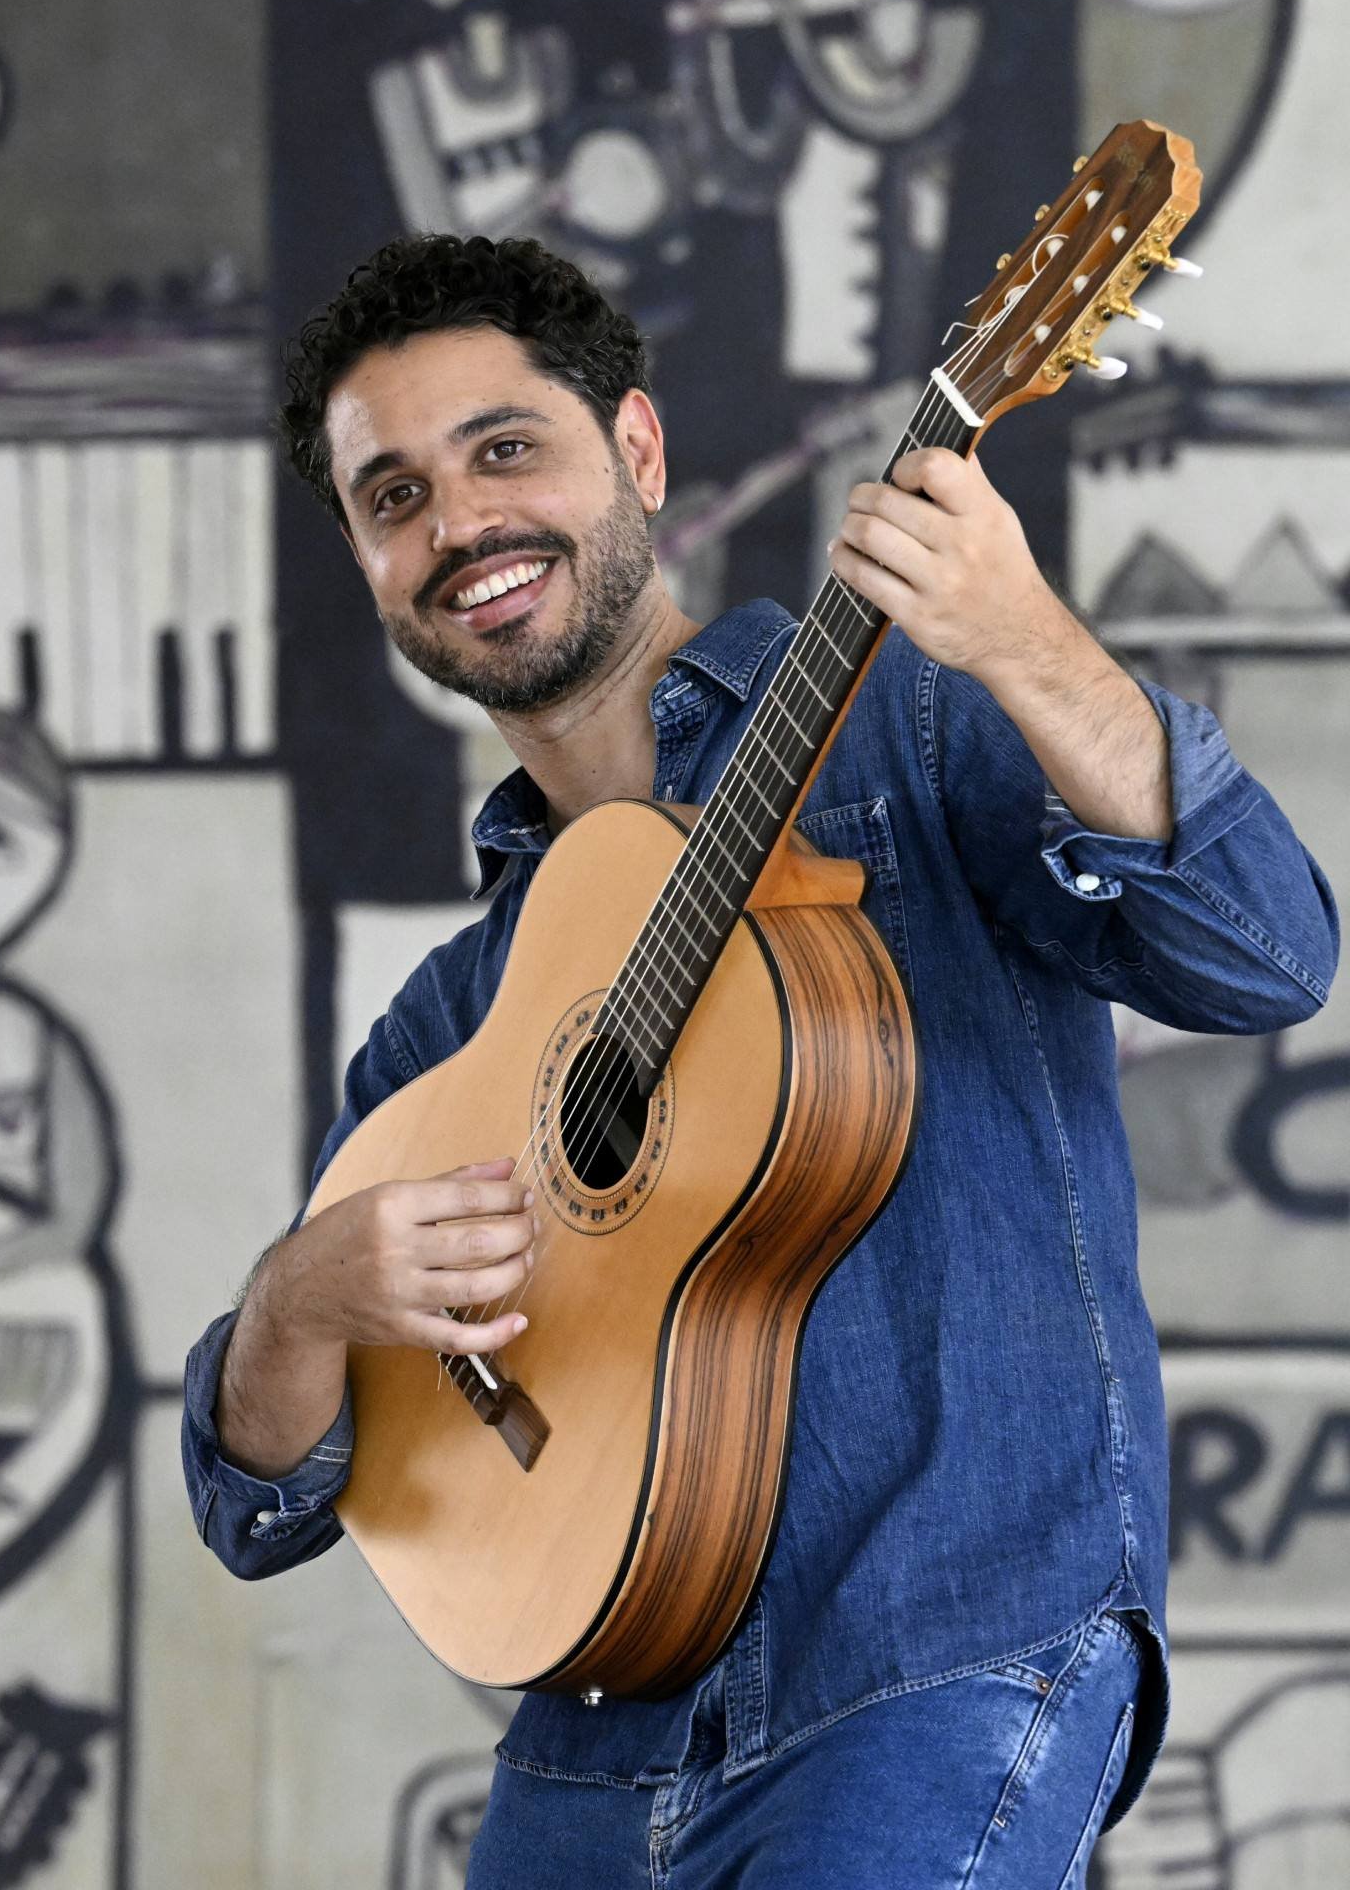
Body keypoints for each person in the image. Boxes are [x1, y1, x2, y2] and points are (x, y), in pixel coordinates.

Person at [179, 233, 1337, 1885]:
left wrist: (1023, 641)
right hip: (589, 1746)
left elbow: (1261, 948)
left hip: (936, 1663)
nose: (459, 526)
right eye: (395, 498)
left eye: (505, 449)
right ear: (368, 566)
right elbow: (266, 1500)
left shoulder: (908, 732)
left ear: (636, 451)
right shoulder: (452, 1019)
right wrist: (305, 1299)